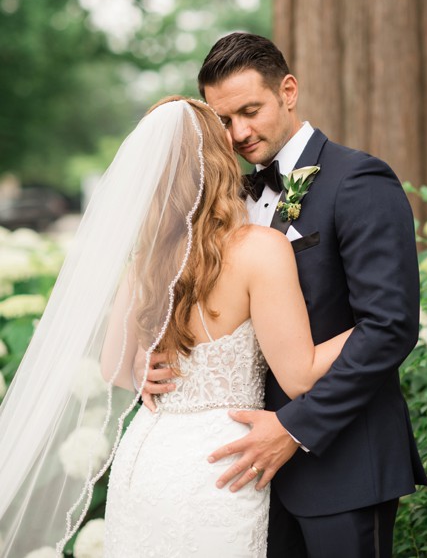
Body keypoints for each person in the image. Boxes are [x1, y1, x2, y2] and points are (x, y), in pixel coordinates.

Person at [0, 96, 352, 557]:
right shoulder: (259, 249)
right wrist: (368, 330)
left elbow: (115, 368)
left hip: (148, 457)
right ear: (219, 161)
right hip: (221, 466)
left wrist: (144, 370)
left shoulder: (146, 261)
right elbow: (299, 374)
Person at [145, 32, 427, 557]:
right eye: (224, 121)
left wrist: (295, 428)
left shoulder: (358, 180)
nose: (240, 132)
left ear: (288, 91)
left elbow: (390, 326)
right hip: (243, 480)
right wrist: (156, 363)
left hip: (340, 464)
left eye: (251, 110)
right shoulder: (225, 203)